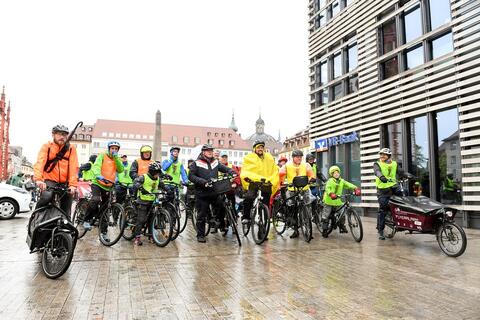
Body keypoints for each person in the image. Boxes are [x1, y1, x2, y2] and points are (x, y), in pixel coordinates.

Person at [188, 144, 234, 243]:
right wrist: (202, 182)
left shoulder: (215, 162)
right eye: (207, 150)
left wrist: (231, 171)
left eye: (211, 150)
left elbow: (224, 168)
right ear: (203, 152)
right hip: (202, 193)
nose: (210, 152)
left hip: (214, 191)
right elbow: (191, 176)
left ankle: (219, 222)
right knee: (201, 215)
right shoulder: (196, 163)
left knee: (222, 206)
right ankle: (200, 235)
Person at [82, 141, 124, 240]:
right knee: (96, 199)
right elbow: (96, 167)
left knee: (105, 210)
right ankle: (86, 219)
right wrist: (98, 176)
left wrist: (116, 159)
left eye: (116, 149)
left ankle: (104, 233)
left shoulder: (116, 159)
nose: (114, 150)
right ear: (108, 148)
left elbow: (121, 169)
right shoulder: (102, 155)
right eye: (112, 148)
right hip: (97, 183)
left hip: (108, 186)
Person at [33, 124, 79, 215]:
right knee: (46, 196)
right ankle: (36, 217)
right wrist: (39, 180)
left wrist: (73, 185)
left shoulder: (71, 149)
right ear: (53, 134)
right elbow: (40, 163)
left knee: (67, 203)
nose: (62, 137)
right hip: (50, 179)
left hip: (64, 182)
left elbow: (74, 167)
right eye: (59, 134)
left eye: (64, 135)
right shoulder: (47, 147)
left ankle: (66, 224)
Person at [240, 140, 279, 224]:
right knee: (249, 197)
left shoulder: (269, 158)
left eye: (262, 147)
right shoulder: (249, 158)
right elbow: (246, 170)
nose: (260, 149)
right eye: (258, 147)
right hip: (254, 183)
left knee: (266, 203)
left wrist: (272, 180)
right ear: (254, 149)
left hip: (266, 183)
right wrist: (249, 178)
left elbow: (274, 170)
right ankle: (246, 217)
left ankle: (263, 226)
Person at [279, 150, 315, 238]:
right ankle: (295, 229)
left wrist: (312, 179)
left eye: (300, 156)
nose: (299, 158)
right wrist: (282, 182)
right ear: (293, 157)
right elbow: (281, 175)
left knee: (308, 206)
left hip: (304, 189)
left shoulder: (306, 165)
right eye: (297, 157)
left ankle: (308, 228)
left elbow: (311, 174)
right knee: (292, 208)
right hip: (292, 190)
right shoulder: (287, 166)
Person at [373, 147, 405, 240]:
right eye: (381, 154)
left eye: (384, 154)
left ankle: (401, 221)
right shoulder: (377, 164)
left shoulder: (394, 163)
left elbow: (401, 172)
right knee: (383, 210)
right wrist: (381, 176)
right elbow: (377, 171)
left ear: (389, 156)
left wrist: (408, 175)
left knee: (404, 196)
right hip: (383, 190)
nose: (382, 156)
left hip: (394, 187)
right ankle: (381, 230)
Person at [321, 165, 360, 237]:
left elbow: (348, 184)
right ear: (332, 174)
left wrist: (355, 188)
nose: (336, 174)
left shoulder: (342, 181)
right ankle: (324, 230)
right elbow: (327, 188)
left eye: (337, 173)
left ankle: (341, 226)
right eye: (334, 173)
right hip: (329, 200)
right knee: (326, 216)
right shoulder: (330, 181)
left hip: (337, 201)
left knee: (342, 213)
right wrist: (331, 193)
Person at [131, 162, 163, 246]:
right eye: (157, 173)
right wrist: (140, 188)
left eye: (159, 173)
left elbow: (162, 185)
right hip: (143, 201)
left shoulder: (158, 179)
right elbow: (135, 182)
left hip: (152, 202)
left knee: (151, 220)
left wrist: (168, 190)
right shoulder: (143, 177)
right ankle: (137, 238)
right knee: (141, 220)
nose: (158, 174)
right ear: (152, 172)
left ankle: (151, 236)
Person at [216, 151, 241, 232]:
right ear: (219, 158)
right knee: (220, 207)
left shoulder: (231, 166)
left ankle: (234, 224)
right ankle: (221, 224)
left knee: (233, 207)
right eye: (222, 157)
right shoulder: (216, 166)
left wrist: (235, 183)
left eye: (225, 157)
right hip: (220, 191)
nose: (224, 158)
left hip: (230, 190)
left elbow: (237, 176)